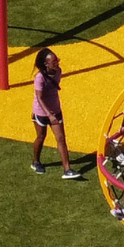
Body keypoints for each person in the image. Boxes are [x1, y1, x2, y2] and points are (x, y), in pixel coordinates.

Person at [29, 49, 83, 178]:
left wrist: (54, 113)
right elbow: (39, 98)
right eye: (54, 61)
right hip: (41, 112)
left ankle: (67, 169)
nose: (57, 63)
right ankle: (36, 161)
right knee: (41, 137)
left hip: (55, 110)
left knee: (61, 138)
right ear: (46, 63)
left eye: (56, 60)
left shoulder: (59, 71)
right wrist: (49, 114)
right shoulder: (39, 77)